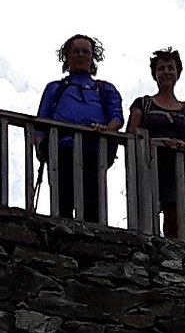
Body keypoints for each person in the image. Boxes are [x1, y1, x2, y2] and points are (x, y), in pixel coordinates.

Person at [36, 34, 124, 223]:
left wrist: (105, 129)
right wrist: (41, 146)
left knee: (93, 206)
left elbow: (117, 117)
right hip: (61, 149)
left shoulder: (105, 89)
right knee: (62, 205)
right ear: (67, 56)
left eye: (85, 51)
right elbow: (41, 122)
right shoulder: (55, 88)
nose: (81, 55)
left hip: (94, 150)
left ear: (93, 57)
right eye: (76, 51)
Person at [126, 47, 185, 238]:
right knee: (146, 211)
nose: (166, 72)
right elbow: (132, 133)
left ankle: (172, 249)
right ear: (154, 74)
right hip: (148, 165)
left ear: (177, 73)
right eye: (161, 68)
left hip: (177, 169)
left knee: (174, 215)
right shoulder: (143, 103)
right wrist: (156, 142)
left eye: (170, 68)